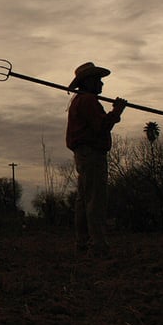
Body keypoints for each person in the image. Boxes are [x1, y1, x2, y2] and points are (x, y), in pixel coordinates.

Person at [66, 62, 127, 257]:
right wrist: (117, 111)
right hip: (91, 154)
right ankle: (98, 245)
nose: (101, 84)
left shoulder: (80, 100)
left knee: (84, 199)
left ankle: (83, 243)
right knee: (95, 199)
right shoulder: (88, 101)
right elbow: (101, 126)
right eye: (98, 80)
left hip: (83, 154)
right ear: (88, 82)